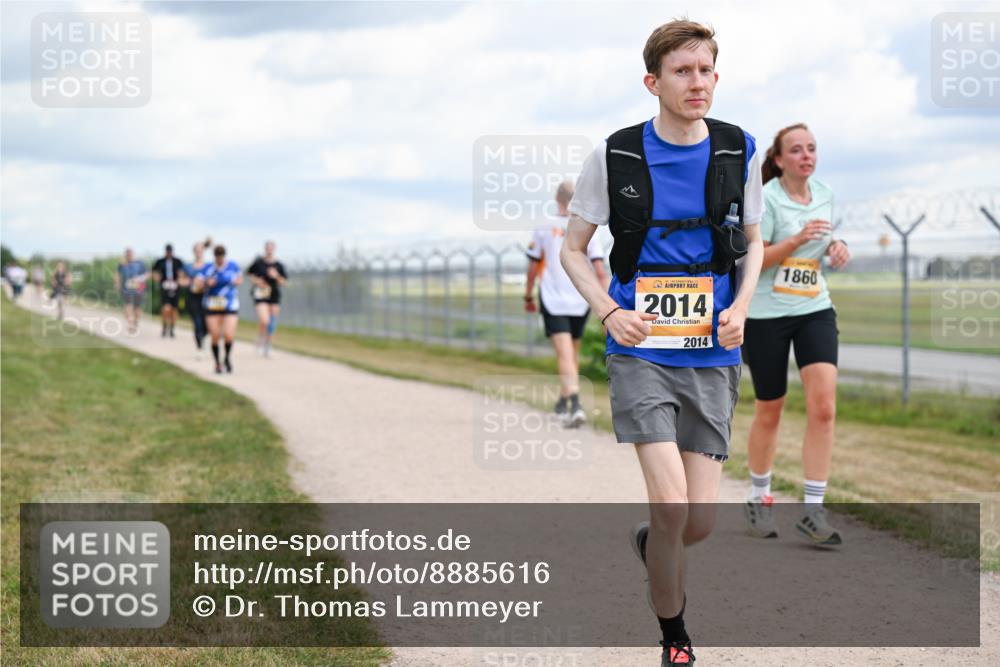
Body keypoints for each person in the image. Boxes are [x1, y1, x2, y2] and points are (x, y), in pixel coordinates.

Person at [559, 20, 764, 665]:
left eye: (705, 70)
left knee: (695, 523)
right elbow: (573, 250)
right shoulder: (615, 154)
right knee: (673, 505)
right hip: (642, 346)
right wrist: (608, 309)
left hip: (713, 349)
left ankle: (654, 545)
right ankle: (675, 637)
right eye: (682, 71)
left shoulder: (738, 150)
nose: (696, 82)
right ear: (654, 81)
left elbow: (753, 241)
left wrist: (742, 307)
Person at [741, 123, 851, 546]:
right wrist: (796, 239)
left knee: (823, 407)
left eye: (812, 149)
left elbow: (819, 247)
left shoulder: (823, 194)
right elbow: (758, 258)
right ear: (780, 159)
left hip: (814, 308)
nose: (806, 156)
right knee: (772, 407)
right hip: (766, 314)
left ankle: (812, 511)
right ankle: (758, 495)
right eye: (797, 150)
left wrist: (836, 246)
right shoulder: (766, 199)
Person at [524, 180, 608, 427]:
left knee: (564, 353)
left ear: (557, 199)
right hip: (581, 297)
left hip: (553, 297)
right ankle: (563, 402)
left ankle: (575, 404)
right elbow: (600, 271)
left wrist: (528, 295)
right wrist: (606, 307)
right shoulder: (588, 227)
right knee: (572, 352)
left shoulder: (543, 227)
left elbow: (532, 268)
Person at [197, 244, 242, 374]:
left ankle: (227, 358)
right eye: (217, 257)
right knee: (215, 335)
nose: (220, 259)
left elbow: (240, 279)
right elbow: (197, 284)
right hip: (212, 304)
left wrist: (233, 282)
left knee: (228, 335)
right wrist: (206, 283)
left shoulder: (232, 266)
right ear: (214, 257)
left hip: (229, 304)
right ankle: (217, 362)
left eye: (221, 256)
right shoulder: (208, 268)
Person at [247, 240, 288, 357]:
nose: (269, 250)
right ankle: (260, 338)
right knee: (265, 320)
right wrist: (257, 281)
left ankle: (268, 344)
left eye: (271, 248)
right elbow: (249, 274)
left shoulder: (279, 265)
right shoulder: (259, 263)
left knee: (272, 323)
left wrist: (276, 276)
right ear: (265, 249)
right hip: (261, 294)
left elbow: (284, 282)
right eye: (267, 248)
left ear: (274, 249)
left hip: (274, 294)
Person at [181, 238, 212, 357]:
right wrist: (191, 282)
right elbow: (181, 280)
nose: (198, 252)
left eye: (201, 250)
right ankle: (199, 348)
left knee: (206, 322)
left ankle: (206, 339)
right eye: (196, 250)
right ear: (193, 252)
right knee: (197, 322)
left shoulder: (209, 266)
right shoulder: (188, 267)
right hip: (192, 297)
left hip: (206, 298)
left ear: (203, 251)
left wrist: (205, 284)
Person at [152, 244, 186, 338]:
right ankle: (164, 327)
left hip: (176, 287)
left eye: (170, 251)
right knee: (165, 309)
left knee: (174, 309)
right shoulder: (160, 261)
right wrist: (157, 278)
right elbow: (154, 271)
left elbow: (183, 272)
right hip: (165, 287)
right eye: (167, 251)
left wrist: (181, 277)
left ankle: (172, 328)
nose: (169, 253)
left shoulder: (178, 261)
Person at [115, 248, 148, 334]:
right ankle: (130, 324)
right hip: (126, 288)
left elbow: (146, 274)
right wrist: (117, 284)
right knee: (128, 305)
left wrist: (138, 279)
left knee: (137, 308)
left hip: (138, 288)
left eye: (130, 254)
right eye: (127, 254)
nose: (129, 255)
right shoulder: (122, 264)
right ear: (125, 255)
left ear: (133, 254)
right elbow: (117, 274)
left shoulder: (140, 263)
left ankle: (135, 322)